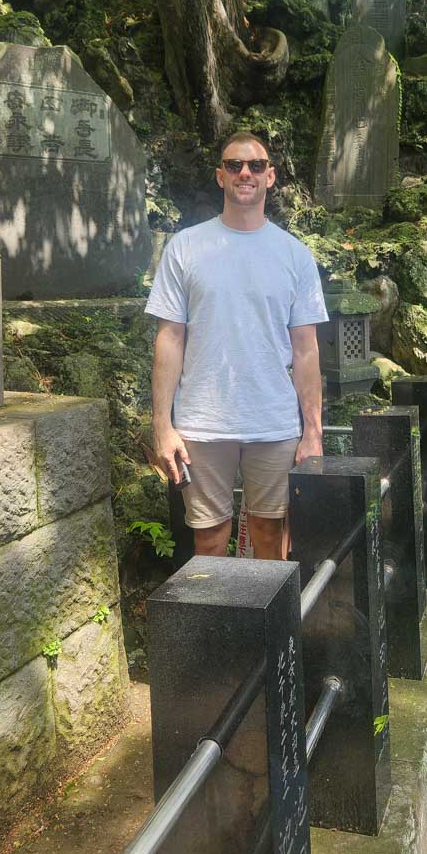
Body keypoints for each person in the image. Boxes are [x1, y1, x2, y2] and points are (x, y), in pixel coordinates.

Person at [146, 131, 328, 560]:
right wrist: (162, 424)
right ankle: (216, 628)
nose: (244, 172)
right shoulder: (185, 247)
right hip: (202, 423)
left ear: (270, 177)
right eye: (234, 165)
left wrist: (313, 432)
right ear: (220, 176)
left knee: (272, 536)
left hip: (274, 422)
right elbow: (170, 338)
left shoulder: (294, 256)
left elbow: (306, 349)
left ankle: (266, 628)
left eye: (255, 166)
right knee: (208, 539)